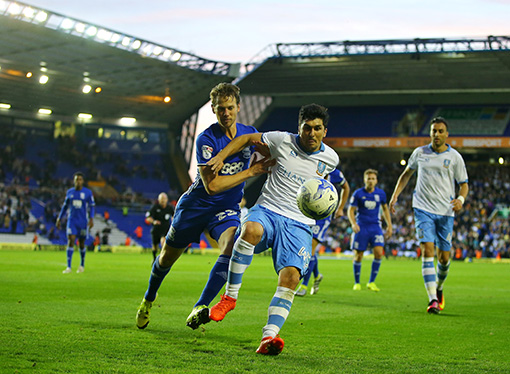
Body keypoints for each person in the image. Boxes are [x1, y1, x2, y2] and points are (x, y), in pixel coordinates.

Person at [135, 82, 274, 330]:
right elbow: (212, 186)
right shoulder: (206, 140)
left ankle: (200, 306)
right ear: (213, 109)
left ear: (238, 107)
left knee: (232, 248)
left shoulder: (248, 132)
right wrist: (250, 172)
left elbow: (269, 151)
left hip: (226, 210)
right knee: (166, 259)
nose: (226, 113)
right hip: (195, 207)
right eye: (221, 109)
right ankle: (148, 299)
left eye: (230, 108)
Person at [208, 103, 339, 355]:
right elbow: (247, 138)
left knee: (291, 277)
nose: (311, 133)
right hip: (268, 209)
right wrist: (221, 156)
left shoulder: (330, 159)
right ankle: (229, 298)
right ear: (299, 128)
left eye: (317, 129)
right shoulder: (281, 140)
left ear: (325, 131)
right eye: (307, 128)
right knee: (250, 231)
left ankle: (269, 338)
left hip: (300, 223)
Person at [389, 117, 468, 314]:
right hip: (422, 209)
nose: (437, 134)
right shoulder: (420, 153)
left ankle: (439, 288)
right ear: (430, 133)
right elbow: (406, 174)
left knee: (444, 258)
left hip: (446, 212)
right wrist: (395, 195)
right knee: (427, 251)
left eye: (441, 131)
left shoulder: (455, 157)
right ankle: (432, 299)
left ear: (446, 134)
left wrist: (461, 200)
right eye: (434, 131)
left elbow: (464, 184)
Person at [296, 168, 350, 296]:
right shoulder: (310, 167)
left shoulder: (335, 173)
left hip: (322, 217)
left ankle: (304, 286)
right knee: (307, 249)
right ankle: (317, 275)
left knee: (310, 249)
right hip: (306, 213)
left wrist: (340, 207)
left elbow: (346, 187)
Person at [348, 169, 392, 292]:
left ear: (376, 181)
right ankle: (357, 282)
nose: (371, 181)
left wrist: (389, 225)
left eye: (373, 178)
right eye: (369, 178)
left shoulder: (381, 194)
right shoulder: (358, 193)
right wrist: (353, 223)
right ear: (364, 180)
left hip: (375, 227)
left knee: (378, 253)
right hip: (361, 226)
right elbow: (350, 210)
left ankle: (371, 282)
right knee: (358, 255)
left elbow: (385, 209)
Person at [56, 172, 95, 274]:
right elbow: (65, 207)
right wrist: (59, 218)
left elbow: (92, 206)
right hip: (72, 220)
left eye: (80, 179)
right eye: (77, 179)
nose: (78, 181)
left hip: (82, 221)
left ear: (83, 181)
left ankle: (82, 265)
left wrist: (91, 218)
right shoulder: (70, 192)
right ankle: (68, 267)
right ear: (74, 181)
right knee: (71, 240)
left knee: (82, 244)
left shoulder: (87, 193)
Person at [145, 192, 175, 263]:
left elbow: (174, 216)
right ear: (159, 200)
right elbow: (148, 217)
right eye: (161, 199)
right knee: (155, 247)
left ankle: (162, 259)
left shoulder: (169, 208)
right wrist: (153, 221)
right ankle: (154, 257)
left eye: (164, 199)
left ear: (167, 200)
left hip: (165, 230)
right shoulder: (155, 207)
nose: (163, 200)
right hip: (156, 230)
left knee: (163, 242)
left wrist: (173, 221)